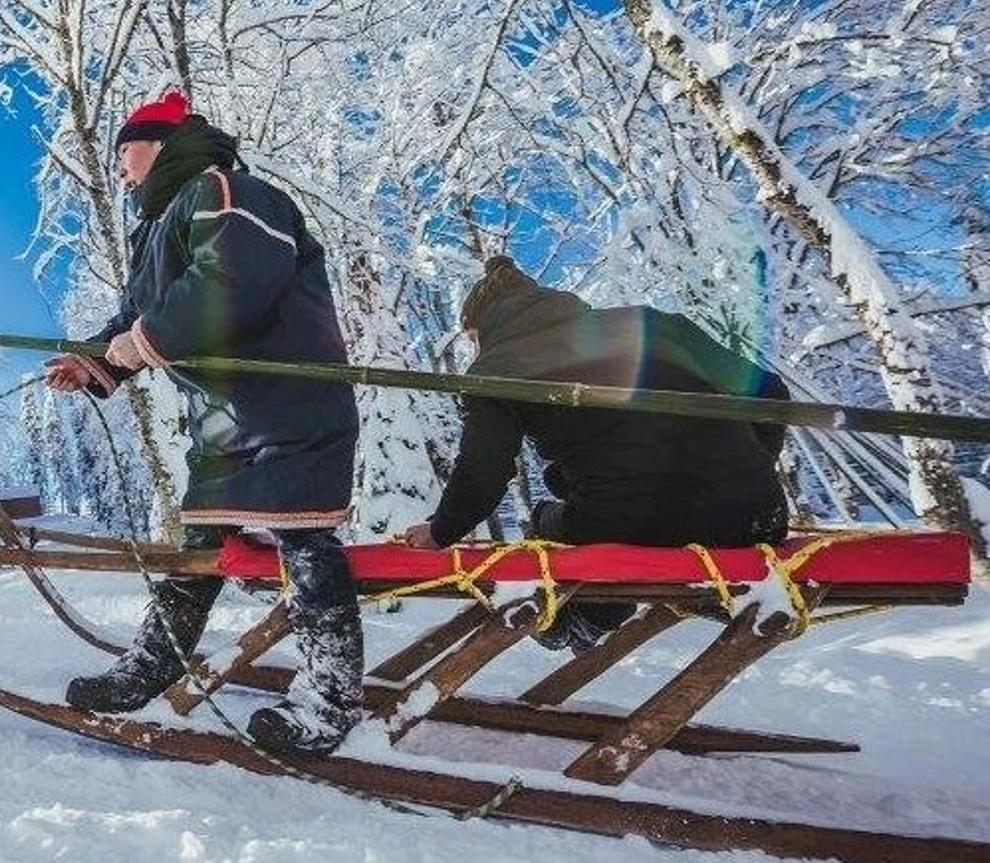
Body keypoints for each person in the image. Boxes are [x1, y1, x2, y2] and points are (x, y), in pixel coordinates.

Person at [45, 89, 364, 757]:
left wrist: (142, 340)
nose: (120, 168)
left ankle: (329, 697)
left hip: (286, 402)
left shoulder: (226, 190)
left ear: (159, 143)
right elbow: (137, 319)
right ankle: (152, 663)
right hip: (223, 421)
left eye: (125, 151)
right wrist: (98, 362)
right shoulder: (161, 226)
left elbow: (232, 283)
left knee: (303, 542)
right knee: (198, 550)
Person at [403, 256, 792, 650]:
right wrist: (751, 471)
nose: (474, 350)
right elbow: (771, 394)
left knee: (545, 528)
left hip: (635, 529)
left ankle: (575, 624)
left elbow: (483, 469)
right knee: (586, 502)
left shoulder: (495, 368)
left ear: (484, 326)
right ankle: (710, 598)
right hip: (757, 519)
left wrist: (441, 531)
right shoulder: (651, 323)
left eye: (472, 340)